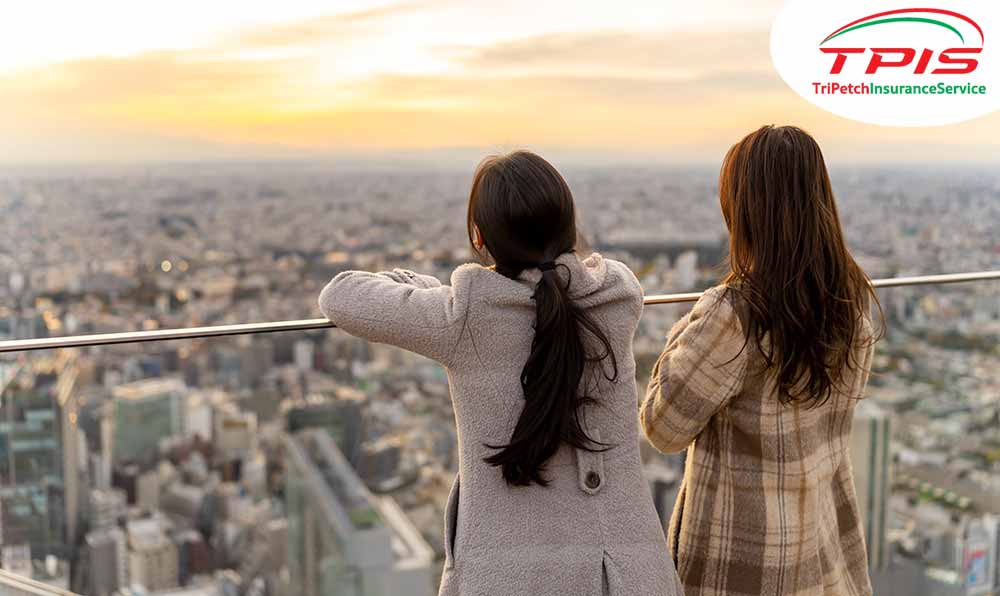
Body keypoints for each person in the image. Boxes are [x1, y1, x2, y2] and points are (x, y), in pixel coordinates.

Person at [319, 151, 681, 596]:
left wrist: (428, 289)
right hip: (625, 574)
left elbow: (340, 295)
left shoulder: (465, 317)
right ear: (569, 225)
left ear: (480, 236)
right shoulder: (617, 297)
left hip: (510, 578)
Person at [641, 125, 883, 596]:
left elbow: (661, 426)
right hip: (821, 553)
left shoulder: (734, 314)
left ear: (747, 211)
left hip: (742, 566)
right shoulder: (851, 306)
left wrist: (690, 323)